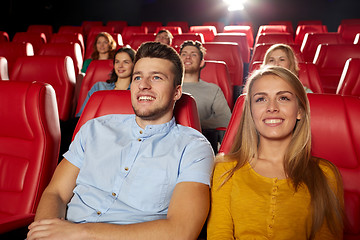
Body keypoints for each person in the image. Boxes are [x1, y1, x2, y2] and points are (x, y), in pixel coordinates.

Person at [27, 42, 214, 240]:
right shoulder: (94, 128)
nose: (143, 85)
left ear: (177, 92)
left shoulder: (194, 147)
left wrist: (82, 232)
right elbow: (55, 193)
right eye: (138, 77)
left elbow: (181, 231)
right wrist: (44, 233)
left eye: (157, 77)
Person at [207, 66, 344, 240]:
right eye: (261, 99)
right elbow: (219, 234)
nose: (272, 107)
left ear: (300, 111)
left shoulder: (325, 173)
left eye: (283, 98)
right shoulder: (226, 169)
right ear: (250, 112)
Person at [179, 40, 231, 130]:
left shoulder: (213, 90)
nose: (187, 57)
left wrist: (193, 125)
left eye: (193, 54)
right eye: (183, 54)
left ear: (201, 63)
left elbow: (225, 119)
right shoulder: (169, 87)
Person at [76, 46, 136, 117]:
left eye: (126, 62)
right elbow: (82, 116)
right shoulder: (99, 87)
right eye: (117, 62)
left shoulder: (136, 91)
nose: (120, 66)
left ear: (134, 65)